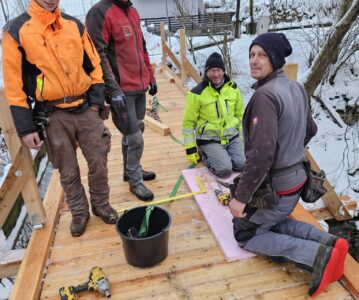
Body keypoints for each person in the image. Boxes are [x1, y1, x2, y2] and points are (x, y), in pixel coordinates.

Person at [228, 32, 349, 297]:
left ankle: (319, 255)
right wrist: (291, 148)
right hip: (298, 180)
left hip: (278, 185)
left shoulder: (265, 96)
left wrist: (240, 198)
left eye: (261, 55)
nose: (254, 61)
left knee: (246, 234)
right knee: (273, 220)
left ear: (275, 59)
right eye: (251, 55)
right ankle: (330, 242)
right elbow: (311, 129)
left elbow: (261, 155)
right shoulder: (295, 87)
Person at [2, 0, 118, 237]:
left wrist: (96, 102)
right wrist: (25, 128)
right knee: (67, 170)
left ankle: (101, 205)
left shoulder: (73, 24)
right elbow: (14, 86)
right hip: (52, 113)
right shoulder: (16, 31)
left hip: (85, 107)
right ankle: (79, 212)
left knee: (99, 160)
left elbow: (94, 64)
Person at [86, 0, 156, 202]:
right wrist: (112, 88)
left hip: (139, 86)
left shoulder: (132, 11)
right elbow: (97, 54)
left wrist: (150, 76)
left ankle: (130, 170)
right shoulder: (100, 12)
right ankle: (135, 182)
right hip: (120, 89)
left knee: (136, 129)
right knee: (135, 138)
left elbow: (142, 48)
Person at [182, 52, 245, 177]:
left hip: (231, 138)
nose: (215, 74)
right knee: (225, 170)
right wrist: (190, 149)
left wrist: (241, 140)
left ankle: (224, 154)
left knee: (242, 165)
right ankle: (204, 154)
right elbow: (188, 123)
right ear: (206, 72)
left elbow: (240, 116)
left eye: (218, 70)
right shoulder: (197, 93)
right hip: (209, 140)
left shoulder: (233, 89)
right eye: (211, 70)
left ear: (223, 71)